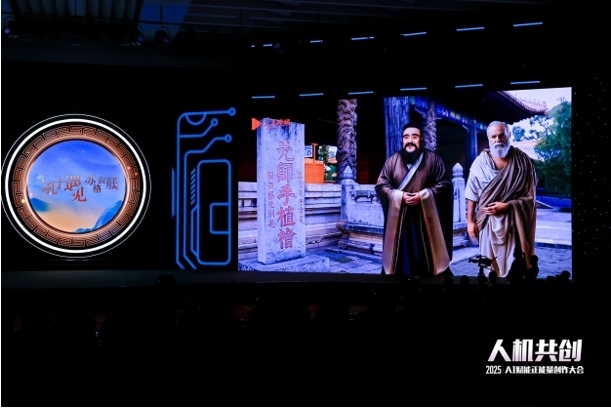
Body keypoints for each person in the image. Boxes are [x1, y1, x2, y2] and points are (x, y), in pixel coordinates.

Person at [375, 123, 454, 277]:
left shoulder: (433, 160)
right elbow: (381, 185)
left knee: (427, 265)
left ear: (421, 139)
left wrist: (423, 195)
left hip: (426, 222)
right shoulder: (392, 161)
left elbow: (445, 184)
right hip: (399, 223)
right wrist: (399, 196)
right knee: (400, 263)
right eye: (406, 137)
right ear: (402, 140)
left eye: (414, 137)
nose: (410, 141)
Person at [465, 120, 537, 278]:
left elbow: (530, 197)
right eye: (493, 136)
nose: (498, 139)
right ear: (489, 139)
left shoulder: (523, 162)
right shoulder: (479, 163)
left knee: (514, 267)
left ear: (509, 135)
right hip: (487, 223)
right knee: (489, 267)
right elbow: (471, 194)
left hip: (514, 224)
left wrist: (508, 206)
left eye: (501, 135)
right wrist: (470, 221)